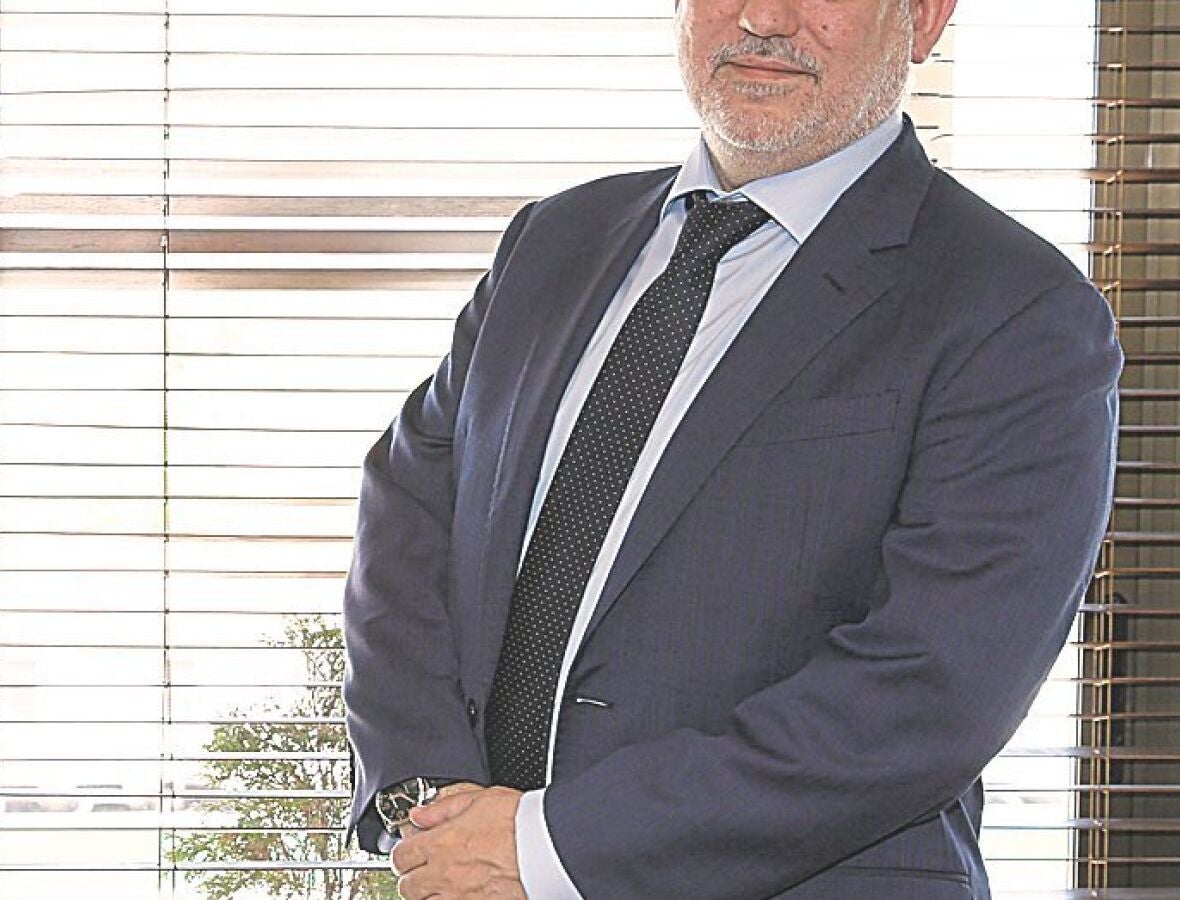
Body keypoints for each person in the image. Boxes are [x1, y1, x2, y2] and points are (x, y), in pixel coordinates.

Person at [341, 0, 1122, 897]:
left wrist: (549, 849)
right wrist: (434, 805)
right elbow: (407, 520)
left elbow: (928, 691)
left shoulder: (1017, 309)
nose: (763, 16)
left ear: (922, 19)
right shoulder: (554, 239)